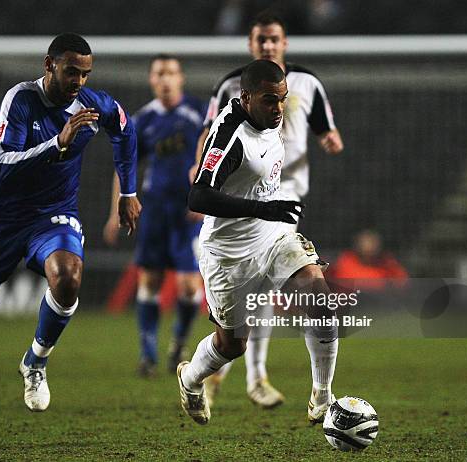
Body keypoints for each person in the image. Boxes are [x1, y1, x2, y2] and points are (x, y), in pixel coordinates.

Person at [0, 33, 141, 437]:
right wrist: (58, 144)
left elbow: (125, 132)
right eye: (71, 71)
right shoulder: (20, 100)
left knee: (69, 276)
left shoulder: (95, 105)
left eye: (85, 74)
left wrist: (127, 191)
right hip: (1, 222)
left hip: (53, 216)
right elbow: (2, 163)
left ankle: (36, 362)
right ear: (49, 65)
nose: (79, 81)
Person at [191, 11, 344, 409]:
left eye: (282, 99)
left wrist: (272, 212)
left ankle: (323, 399)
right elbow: (199, 197)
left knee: (319, 296)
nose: (279, 109)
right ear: (245, 99)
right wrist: (265, 206)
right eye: (269, 101)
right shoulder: (230, 135)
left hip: (272, 235)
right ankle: (192, 379)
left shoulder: (277, 104)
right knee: (231, 345)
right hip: (228, 252)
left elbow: (316, 126)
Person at [104, 55, 207, 376]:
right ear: (151, 80)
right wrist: (115, 211)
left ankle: (178, 343)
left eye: (171, 73)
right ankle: (148, 353)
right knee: (150, 279)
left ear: (181, 78)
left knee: (190, 286)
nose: (165, 79)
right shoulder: (143, 120)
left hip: (188, 211)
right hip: (154, 208)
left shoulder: (200, 113)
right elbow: (124, 168)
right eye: (159, 73)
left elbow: (215, 158)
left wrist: (206, 199)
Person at [329, 229, 408, 291]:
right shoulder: (343, 261)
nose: (369, 245)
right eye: (366, 241)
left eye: (372, 241)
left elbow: (402, 284)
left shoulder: (387, 263)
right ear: (357, 244)